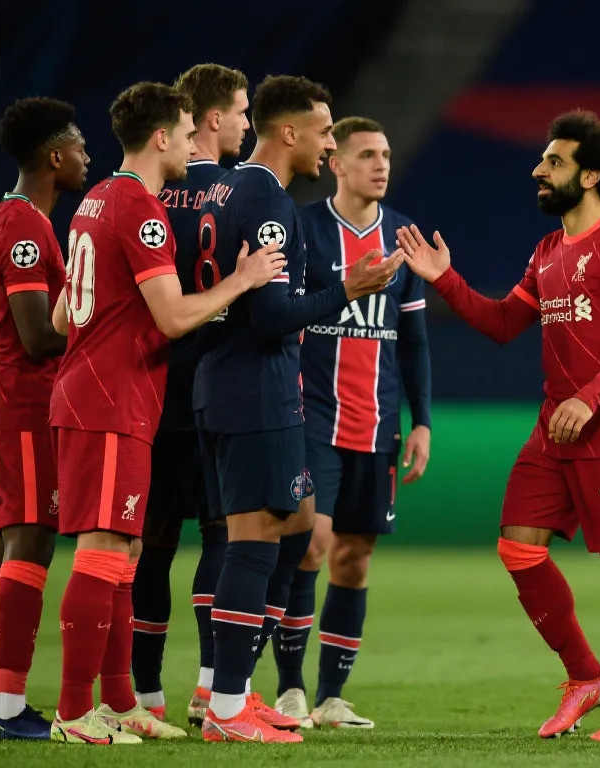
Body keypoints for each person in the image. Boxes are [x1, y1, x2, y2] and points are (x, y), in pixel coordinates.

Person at [397, 110, 600, 741]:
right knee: (518, 547)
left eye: (554, 162)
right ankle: (586, 677)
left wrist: (590, 398)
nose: (537, 170)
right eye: (543, 159)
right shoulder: (547, 251)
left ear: (591, 175)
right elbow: (501, 324)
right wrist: (445, 280)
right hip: (555, 430)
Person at [47, 80, 286, 746]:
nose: (190, 146)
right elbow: (175, 317)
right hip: (109, 400)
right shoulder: (140, 210)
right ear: (160, 137)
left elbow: (66, 315)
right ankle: (74, 712)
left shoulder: (96, 199)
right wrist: (242, 280)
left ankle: (122, 703)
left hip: (99, 393)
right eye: (184, 135)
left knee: (126, 551)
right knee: (104, 550)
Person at [192, 75, 403, 743]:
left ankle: (238, 694)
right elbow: (271, 317)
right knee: (254, 545)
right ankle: (227, 706)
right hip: (255, 390)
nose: (330, 143)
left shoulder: (226, 188)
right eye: (324, 131)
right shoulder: (268, 199)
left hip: (229, 384)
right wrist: (349, 288)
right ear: (289, 132)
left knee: (294, 527)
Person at [271, 116, 432, 729]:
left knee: (354, 557)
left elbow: (413, 340)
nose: (381, 165)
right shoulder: (305, 229)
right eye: (367, 155)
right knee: (311, 543)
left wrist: (421, 422)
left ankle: (332, 697)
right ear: (336, 164)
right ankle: (289, 689)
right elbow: (284, 314)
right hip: (313, 417)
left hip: (377, 423)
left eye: (386, 154)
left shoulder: (403, 237)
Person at [129, 62, 250, 724]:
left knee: (151, 545)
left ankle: (144, 695)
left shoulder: (144, 195)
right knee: (221, 537)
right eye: (241, 113)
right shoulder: (235, 194)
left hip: (149, 387)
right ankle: (210, 689)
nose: (246, 126)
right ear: (212, 118)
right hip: (216, 387)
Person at [0, 96, 88, 740]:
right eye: (79, 145)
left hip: (13, 402)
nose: (87, 155)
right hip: (22, 403)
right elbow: (35, 337)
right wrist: (98, 321)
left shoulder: (15, 218)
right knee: (29, 539)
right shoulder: (26, 227)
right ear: (54, 157)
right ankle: (5, 706)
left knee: (9, 544)